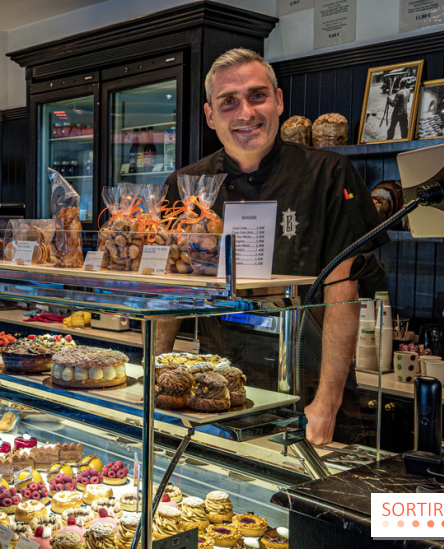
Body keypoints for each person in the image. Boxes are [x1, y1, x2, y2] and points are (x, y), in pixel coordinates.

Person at [162, 48, 387, 445]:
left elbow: (343, 290)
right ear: (210, 115)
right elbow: (168, 290)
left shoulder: (328, 174)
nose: (246, 112)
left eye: (257, 96)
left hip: (308, 388)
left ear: (279, 101)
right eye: (228, 102)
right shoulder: (187, 186)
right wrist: (155, 375)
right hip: (214, 387)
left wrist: (327, 402)